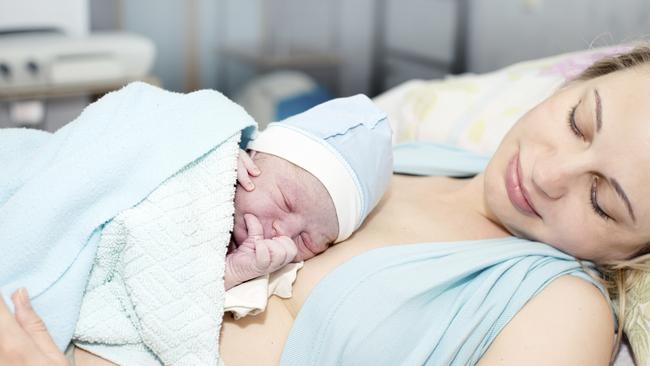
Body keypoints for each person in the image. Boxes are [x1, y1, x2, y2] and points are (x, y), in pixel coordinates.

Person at [4, 45, 650, 365]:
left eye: (601, 200)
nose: (546, 172)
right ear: (578, 82)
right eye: (577, 123)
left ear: (638, 251)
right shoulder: (419, 153)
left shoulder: (566, 311)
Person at [224, 94, 393, 290]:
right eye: (285, 201)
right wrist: (216, 155)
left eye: (306, 242)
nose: (283, 234)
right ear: (254, 155)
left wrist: (231, 273)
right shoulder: (218, 157)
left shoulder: (250, 265)